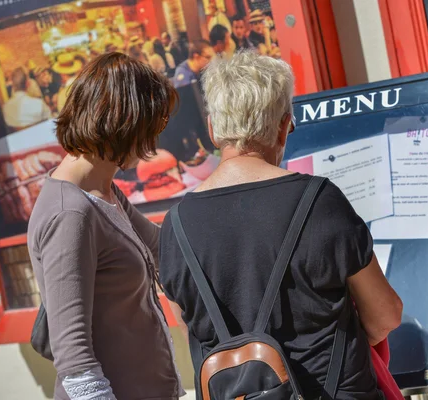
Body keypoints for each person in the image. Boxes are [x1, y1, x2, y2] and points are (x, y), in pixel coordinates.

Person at [159, 51, 402, 399]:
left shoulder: (175, 226)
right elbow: (385, 316)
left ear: (213, 130)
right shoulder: (319, 202)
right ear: (282, 125)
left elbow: (189, 330)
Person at [27, 52, 184, 400]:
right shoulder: (71, 214)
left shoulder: (102, 191)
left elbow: (164, 250)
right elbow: (75, 361)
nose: (152, 145)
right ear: (125, 123)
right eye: (151, 129)